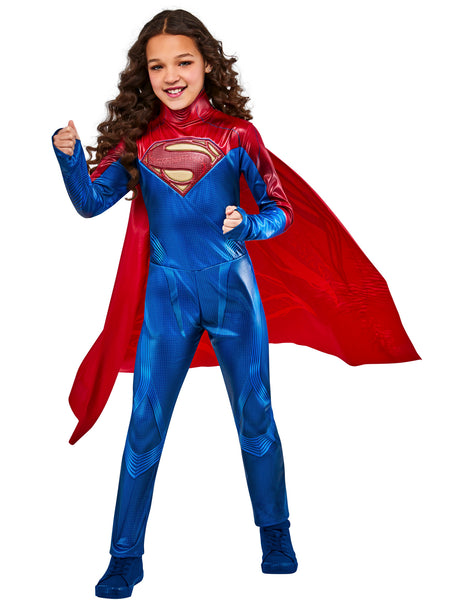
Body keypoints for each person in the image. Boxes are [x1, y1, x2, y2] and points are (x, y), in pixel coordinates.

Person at [53, 8, 419, 599]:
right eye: (157, 66)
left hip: (233, 294)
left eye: (183, 61)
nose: (171, 76)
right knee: (144, 425)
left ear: (206, 63)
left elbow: (281, 210)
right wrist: (69, 157)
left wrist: (248, 223)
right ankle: (125, 557)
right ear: (144, 73)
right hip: (168, 299)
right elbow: (91, 203)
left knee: (255, 413)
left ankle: (276, 535)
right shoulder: (138, 142)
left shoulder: (237, 135)